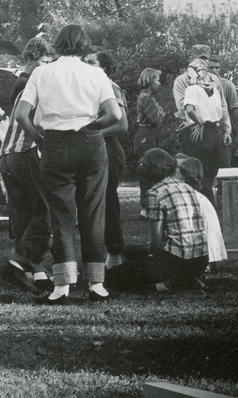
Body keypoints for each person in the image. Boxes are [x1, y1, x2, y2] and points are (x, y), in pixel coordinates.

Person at [16, 25, 121, 304]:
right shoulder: (96, 73)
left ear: (58, 45)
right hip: (91, 144)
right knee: (93, 214)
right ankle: (97, 285)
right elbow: (114, 114)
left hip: (55, 145)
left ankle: (61, 287)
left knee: (61, 216)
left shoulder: (41, 72)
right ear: (84, 45)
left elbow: (21, 115)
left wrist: (39, 139)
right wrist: (92, 128)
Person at [106, 149, 208, 292]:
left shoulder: (154, 193)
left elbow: (156, 243)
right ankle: (185, 279)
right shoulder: (187, 187)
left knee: (110, 277)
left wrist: (151, 260)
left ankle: (163, 285)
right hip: (200, 260)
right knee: (129, 250)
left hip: (176, 261)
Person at [0, 36, 54, 294]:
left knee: (25, 216)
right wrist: (41, 141)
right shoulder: (30, 83)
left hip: (7, 154)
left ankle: (36, 273)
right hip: (25, 152)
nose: (47, 66)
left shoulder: (20, 83)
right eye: (44, 61)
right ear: (32, 58)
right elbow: (29, 118)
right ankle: (17, 262)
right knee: (45, 212)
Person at [83, 48, 128, 269]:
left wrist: (89, 133)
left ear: (105, 67)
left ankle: (115, 253)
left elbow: (121, 124)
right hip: (92, 150)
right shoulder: (88, 88)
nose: (86, 66)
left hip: (109, 150)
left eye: (91, 62)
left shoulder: (110, 87)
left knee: (108, 201)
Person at [179, 58, 231, 206]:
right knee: (211, 174)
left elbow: (189, 109)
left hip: (202, 134)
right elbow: (220, 111)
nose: (189, 78)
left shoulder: (192, 89)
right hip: (216, 132)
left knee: (198, 173)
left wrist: (198, 122)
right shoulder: (214, 89)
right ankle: (214, 206)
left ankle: (202, 207)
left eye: (190, 75)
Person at [174, 154, 227, 269]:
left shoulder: (190, 198)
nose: (172, 171)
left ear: (187, 172)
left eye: (176, 168)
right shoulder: (192, 195)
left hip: (203, 257)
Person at [134, 68, 165, 216]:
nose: (159, 83)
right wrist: (159, 113)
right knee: (148, 170)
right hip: (147, 135)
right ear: (149, 81)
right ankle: (146, 208)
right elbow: (157, 118)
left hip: (149, 134)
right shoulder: (146, 98)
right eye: (157, 80)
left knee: (151, 169)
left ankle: (149, 206)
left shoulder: (148, 97)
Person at [207, 55, 238, 167]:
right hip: (206, 131)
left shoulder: (227, 85)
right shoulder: (199, 84)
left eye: (217, 67)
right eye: (211, 68)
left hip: (223, 131)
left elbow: (235, 109)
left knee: (224, 165)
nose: (214, 70)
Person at [9, 36, 53, 106]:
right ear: (30, 60)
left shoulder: (23, 81)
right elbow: (24, 115)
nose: (48, 66)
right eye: (45, 62)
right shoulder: (25, 84)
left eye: (49, 62)